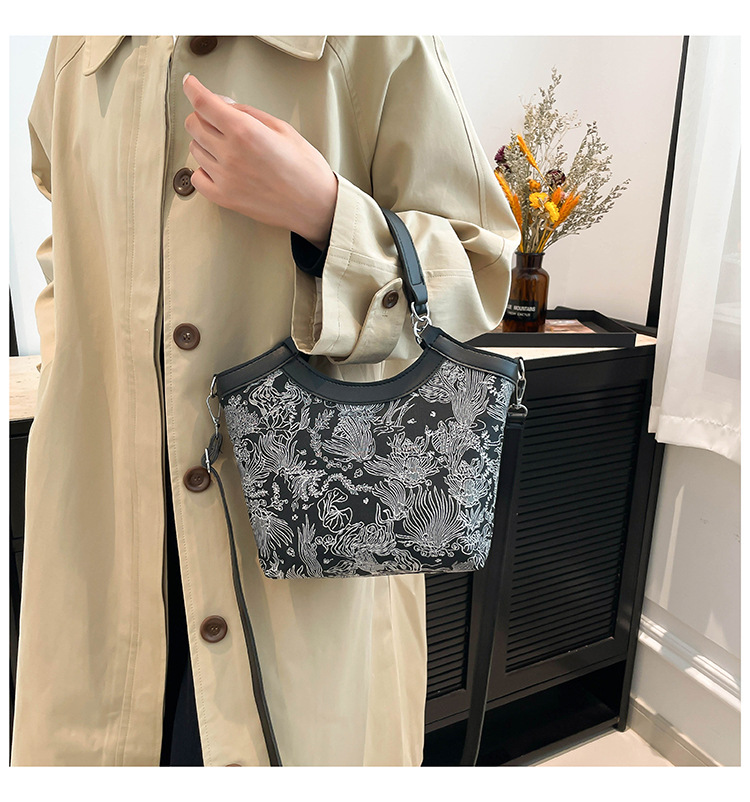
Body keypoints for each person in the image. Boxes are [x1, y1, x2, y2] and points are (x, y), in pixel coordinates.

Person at [11, 35, 521, 767]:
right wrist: (71, 367)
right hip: (104, 538)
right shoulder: (76, 43)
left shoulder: (372, 35)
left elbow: (481, 270)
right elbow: (64, 239)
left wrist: (327, 214)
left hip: (307, 558)